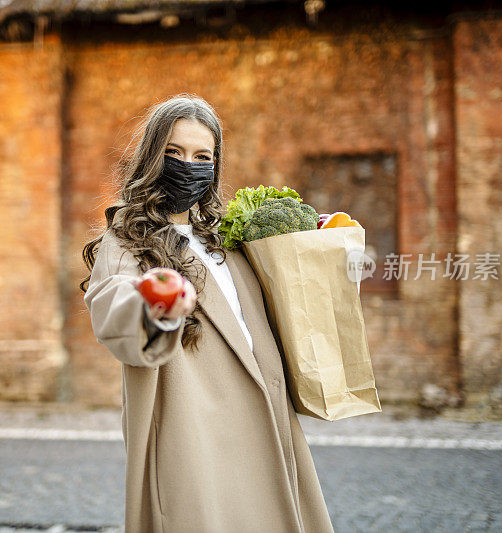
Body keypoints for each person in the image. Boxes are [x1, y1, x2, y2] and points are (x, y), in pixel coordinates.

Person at [80, 94, 334, 533]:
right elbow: (112, 306)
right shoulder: (127, 240)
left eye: (203, 156)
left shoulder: (227, 236)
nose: (188, 165)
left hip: (266, 417)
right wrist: (154, 302)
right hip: (192, 428)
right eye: (174, 153)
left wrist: (312, 245)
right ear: (151, 157)